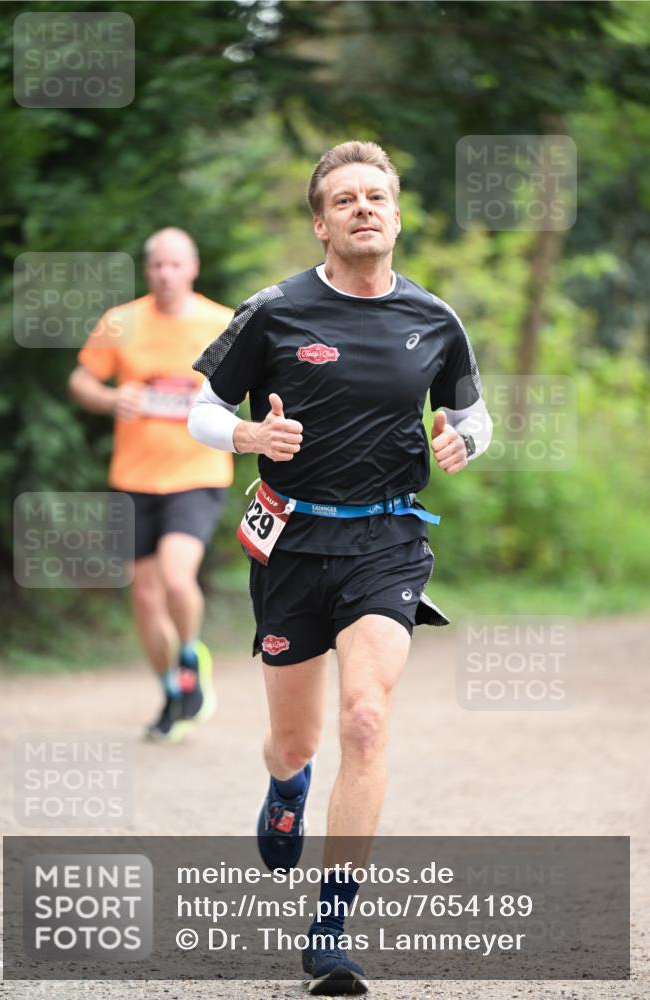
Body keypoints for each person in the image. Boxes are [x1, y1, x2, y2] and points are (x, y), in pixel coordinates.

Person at [188, 142, 492, 994]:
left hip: (387, 542)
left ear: (395, 215)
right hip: (291, 544)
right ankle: (285, 786)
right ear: (321, 222)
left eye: (377, 197)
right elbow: (199, 410)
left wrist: (460, 438)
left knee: (364, 717)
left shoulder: (434, 319)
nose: (364, 208)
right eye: (346, 199)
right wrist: (247, 436)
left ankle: (331, 926)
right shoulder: (274, 311)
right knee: (296, 739)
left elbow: (477, 416)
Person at [68, 227, 234, 742]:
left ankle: (189, 657)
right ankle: (170, 689)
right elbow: (81, 379)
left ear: (193, 267)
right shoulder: (122, 322)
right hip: (134, 476)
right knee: (144, 597)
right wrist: (110, 400)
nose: (166, 273)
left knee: (178, 578)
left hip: (197, 473)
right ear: (148, 270)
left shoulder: (222, 322)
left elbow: (258, 384)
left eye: (175, 264)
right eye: (157, 265)